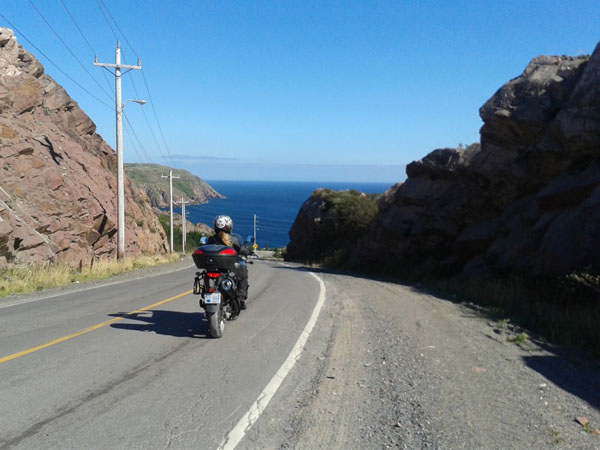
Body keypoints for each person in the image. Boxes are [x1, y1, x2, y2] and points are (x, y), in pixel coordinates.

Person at [207, 215, 249, 309]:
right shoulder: (234, 239)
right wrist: (248, 251)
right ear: (230, 226)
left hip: (215, 268)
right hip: (229, 268)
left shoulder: (211, 239)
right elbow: (242, 250)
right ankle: (241, 298)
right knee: (242, 274)